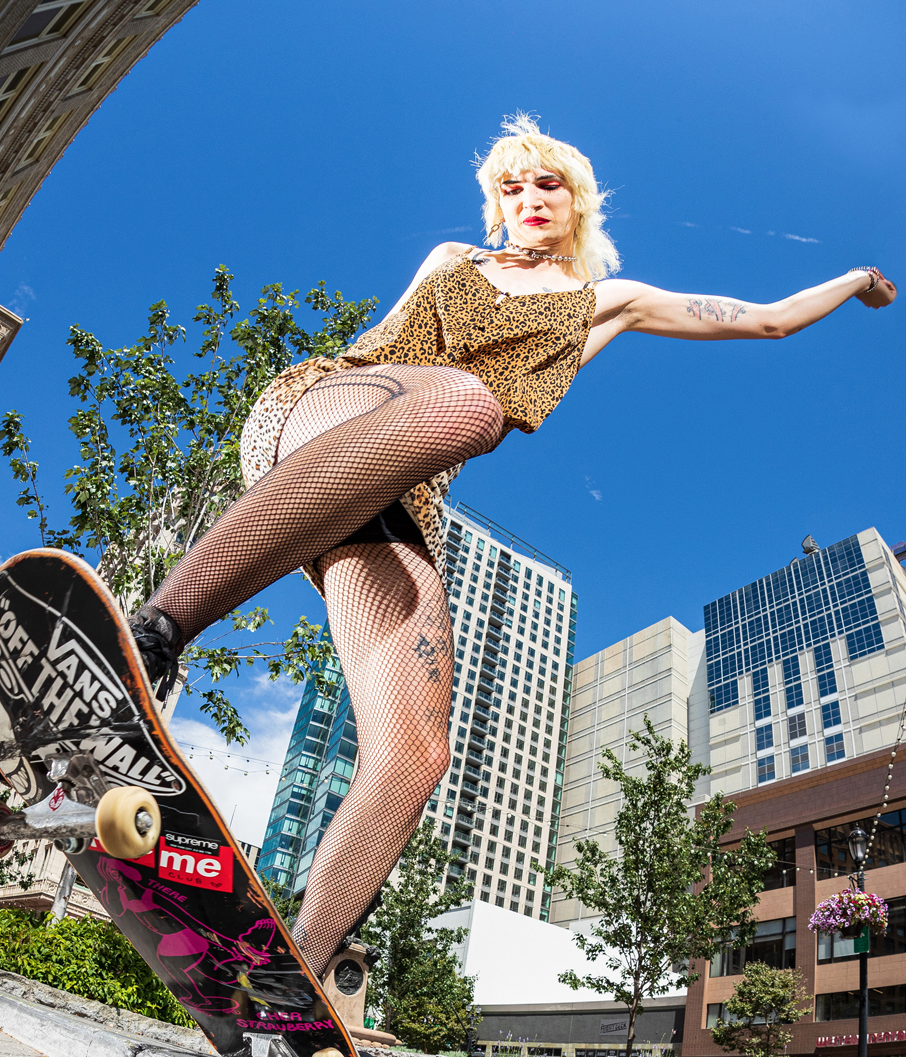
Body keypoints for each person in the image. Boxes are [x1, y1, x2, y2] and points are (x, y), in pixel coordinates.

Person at [125, 115, 894, 986]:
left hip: (402, 499)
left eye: (547, 185)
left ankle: (291, 972)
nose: (528, 200)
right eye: (511, 188)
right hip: (329, 410)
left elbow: (763, 321)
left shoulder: (605, 303)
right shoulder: (455, 259)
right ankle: (152, 636)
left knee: (416, 753)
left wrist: (855, 278)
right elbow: (392, 350)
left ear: (579, 201)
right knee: (470, 405)